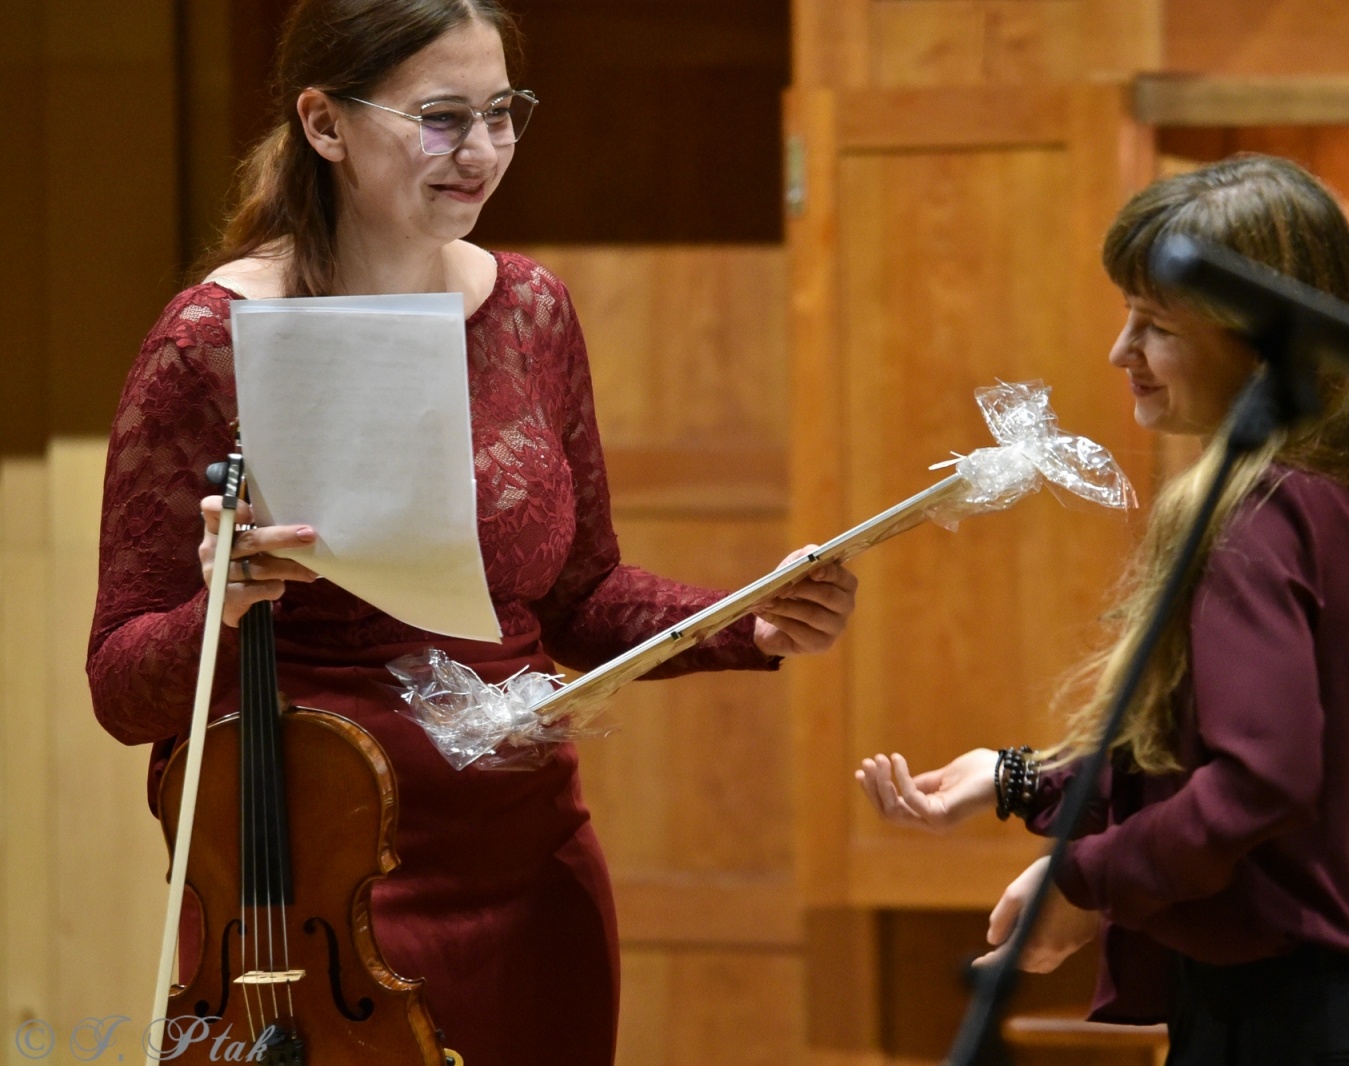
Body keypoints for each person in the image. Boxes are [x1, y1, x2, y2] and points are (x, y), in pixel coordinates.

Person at [87, 2, 856, 1063]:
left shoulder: (531, 307)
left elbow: (581, 598)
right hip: (308, 885)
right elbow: (120, 686)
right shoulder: (210, 340)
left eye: (503, 113)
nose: (485, 151)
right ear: (324, 123)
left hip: (530, 864)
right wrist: (225, 601)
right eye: (444, 118)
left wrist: (746, 621)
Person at [855, 155, 1349, 1065]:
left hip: (1308, 1029)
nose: (1122, 354)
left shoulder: (1260, 516)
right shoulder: (1332, 499)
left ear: (1253, 342)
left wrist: (1082, 881)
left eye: (1155, 325)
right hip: (1338, 1014)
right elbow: (1205, 769)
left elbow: (1259, 785)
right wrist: (1018, 778)